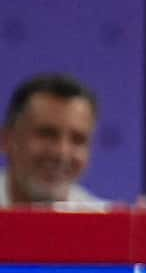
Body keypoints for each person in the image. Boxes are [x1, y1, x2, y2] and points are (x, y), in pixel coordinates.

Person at [1, 73, 107, 209]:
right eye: (47, 134)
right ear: (7, 139)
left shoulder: (104, 224)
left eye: (78, 140)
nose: (61, 153)